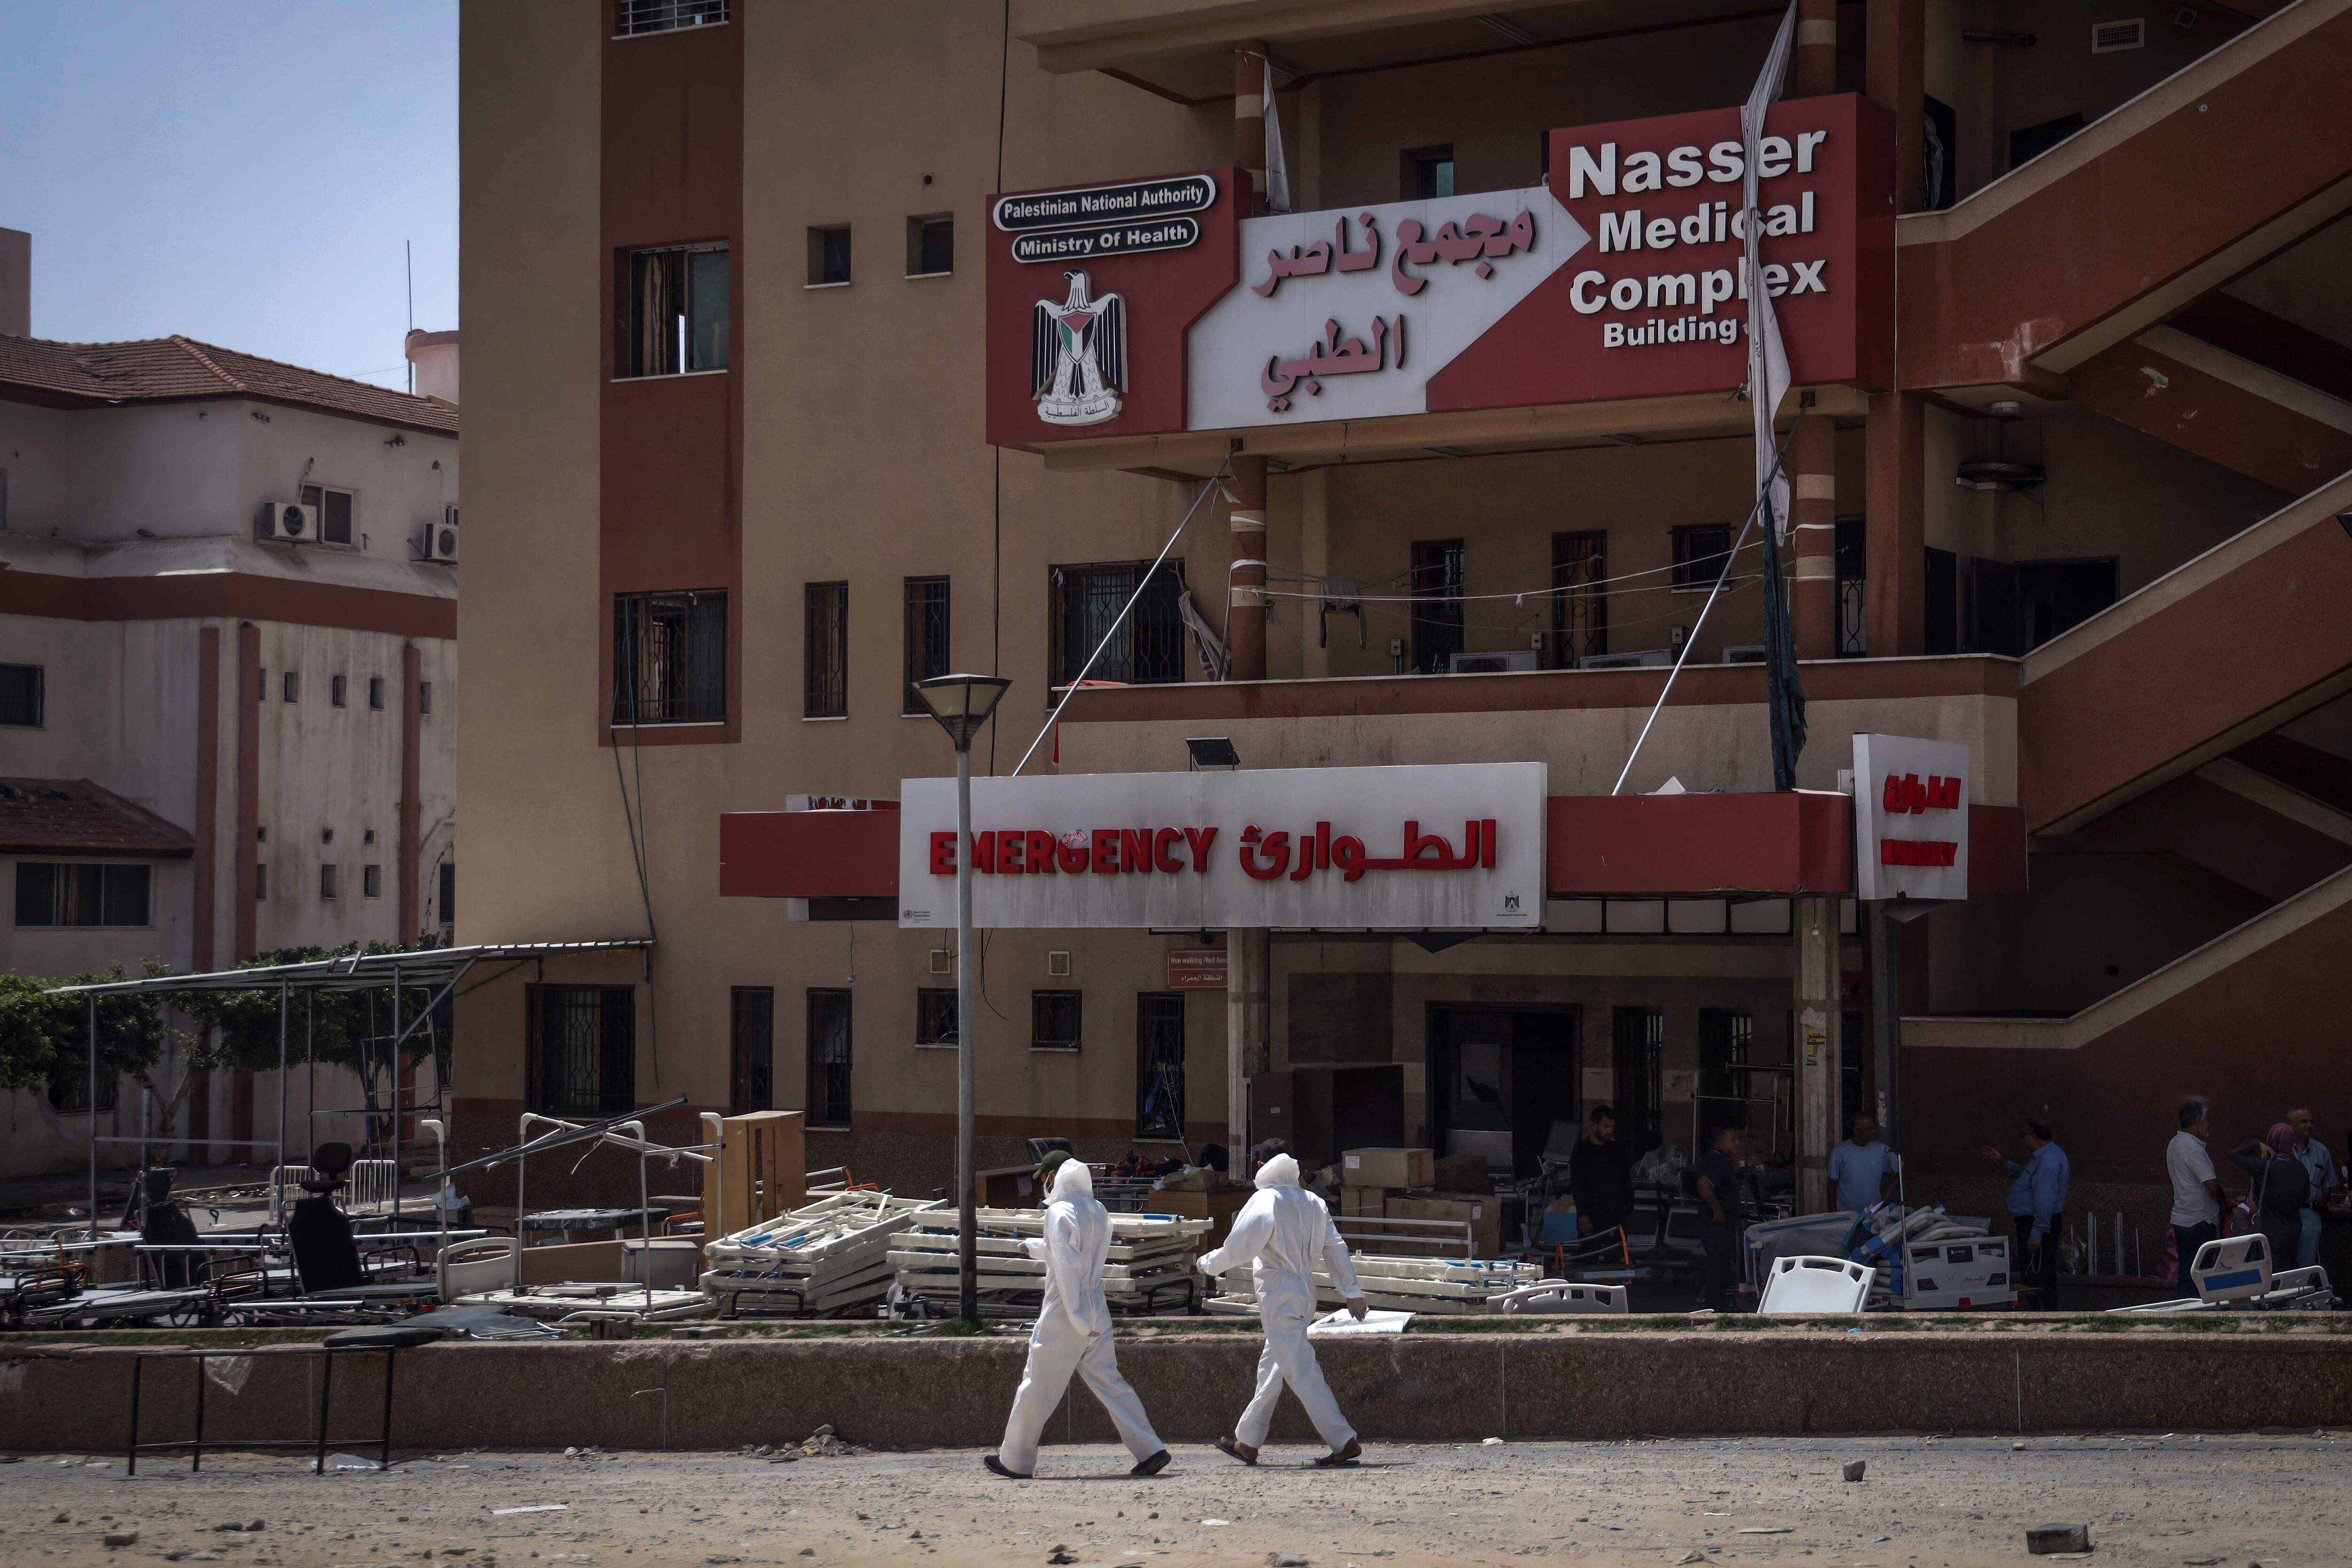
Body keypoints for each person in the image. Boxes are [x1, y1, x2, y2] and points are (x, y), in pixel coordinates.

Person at [985, 1157, 1170, 1480]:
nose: (1044, 1183)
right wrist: (1035, 1247)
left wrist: (1077, 1315)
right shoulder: (1098, 1210)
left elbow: (1068, 1265)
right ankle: (1151, 1449)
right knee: (1111, 1383)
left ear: (1054, 1176)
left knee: (1037, 1386)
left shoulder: (1058, 1212)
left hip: (1066, 1310)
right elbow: (1075, 1251)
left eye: (1045, 1177)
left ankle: (1015, 1460)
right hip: (1097, 1303)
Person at [1197, 1152, 1367, 1468]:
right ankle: (1248, 1441)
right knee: (1274, 1366)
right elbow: (1335, 1247)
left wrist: (1207, 1263)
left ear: (1261, 1167)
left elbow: (1239, 1247)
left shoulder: (1266, 1199)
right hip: (1304, 1289)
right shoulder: (1314, 1201)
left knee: (1301, 1371)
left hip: (1279, 1292)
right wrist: (1352, 1292)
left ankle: (1344, 1441)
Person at [1981, 1120, 2069, 1310]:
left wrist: (2037, 1233)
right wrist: (2004, 1163)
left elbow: (2045, 1200)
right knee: (2034, 1272)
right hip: (2034, 1222)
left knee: (2037, 1274)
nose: (2023, 1140)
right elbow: (2026, 1176)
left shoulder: (2048, 1161)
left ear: (2034, 1137)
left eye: (2024, 1136)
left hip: (2036, 1223)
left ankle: (2043, 1314)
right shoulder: (2043, 1157)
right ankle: (2041, 1312)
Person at [1567, 1104, 1660, 1241]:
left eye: (1612, 1126)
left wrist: (1628, 1205)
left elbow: (1625, 1180)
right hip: (1592, 1216)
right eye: (1606, 1127)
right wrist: (1582, 1214)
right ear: (1595, 1125)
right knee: (1591, 1250)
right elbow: (1577, 1186)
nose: (1610, 1131)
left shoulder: (1617, 1150)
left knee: (1617, 1251)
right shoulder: (1581, 1151)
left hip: (1615, 1216)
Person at [2227, 1122, 2309, 1273]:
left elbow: (2233, 1155)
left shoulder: (2265, 1166)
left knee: (2265, 1275)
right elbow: (2305, 1197)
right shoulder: (2301, 1168)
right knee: (2286, 1274)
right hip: (2293, 1231)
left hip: (2268, 1230)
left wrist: (2256, 1145)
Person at [2166, 1097, 2224, 1297]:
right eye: (2207, 1119)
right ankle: (2192, 1311)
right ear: (2199, 1120)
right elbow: (2212, 1185)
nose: (2209, 1124)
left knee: (2188, 1273)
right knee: (2198, 1277)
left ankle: (2186, 1309)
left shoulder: (2176, 1143)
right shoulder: (2191, 1147)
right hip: (2198, 1222)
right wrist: (2225, 1203)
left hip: (2184, 1219)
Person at [1693, 1124, 1746, 1312]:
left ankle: (1719, 1306)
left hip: (1722, 1225)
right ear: (1721, 1143)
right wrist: (1717, 1210)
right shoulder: (1717, 1161)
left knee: (1721, 1267)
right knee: (1718, 1268)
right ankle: (1713, 1310)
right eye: (1733, 1140)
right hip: (1716, 1226)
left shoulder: (1723, 1161)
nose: (1737, 1143)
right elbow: (1704, 1183)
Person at [2288, 1108, 2338, 1269]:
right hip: (2284, 1214)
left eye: (2311, 1122)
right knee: (2282, 1261)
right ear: (2291, 1125)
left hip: (2310, 1215)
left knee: (2307, 1264)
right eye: (2304, 1122)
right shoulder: (2281, 1149)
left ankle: (2304, 1287)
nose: (2309, 1125)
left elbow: (2328, 1184)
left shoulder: (2321, 1151)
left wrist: (2319, 1209)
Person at [1827, 1112, 1900, 1215]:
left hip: (1873, 1214)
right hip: (1847, 1215)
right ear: (1856, 1131)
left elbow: (1902, 1170)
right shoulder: (1840, 1151)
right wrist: (1833, 1216)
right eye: (1869, 1129)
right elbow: (1831, 1186)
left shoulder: (1882, 1150)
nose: (1874, 1131)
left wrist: (1886, 1195)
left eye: (1874, 1128)